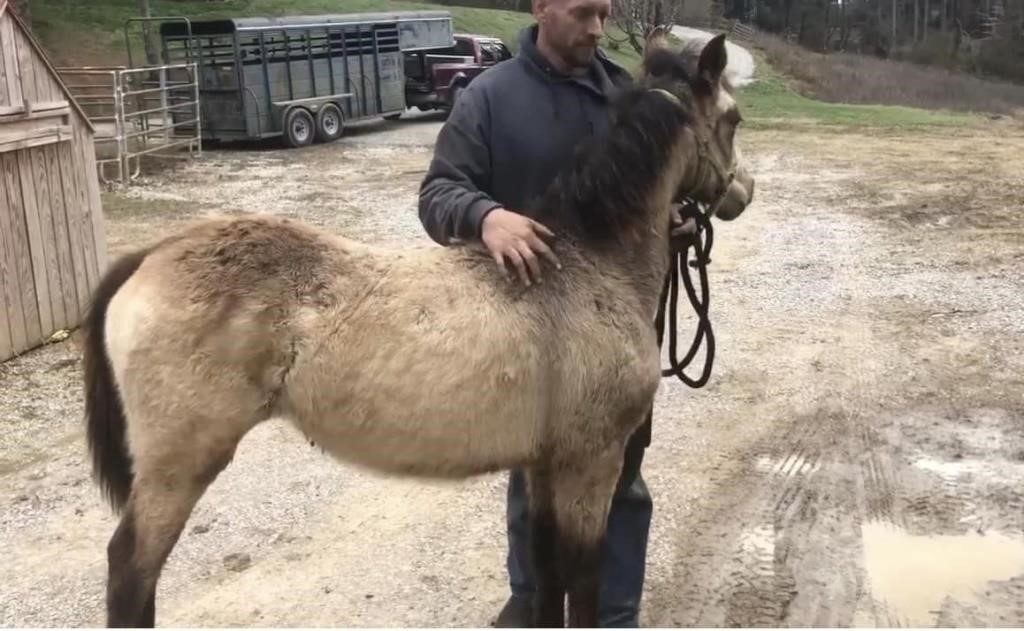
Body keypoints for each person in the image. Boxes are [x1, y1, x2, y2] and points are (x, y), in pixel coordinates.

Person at [417, 0, 689, 624]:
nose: (598, 29)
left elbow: (661, 184)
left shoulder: (624, 93)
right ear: (541, 7)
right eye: (583, 13)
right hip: (526, 330)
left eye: (605, 13)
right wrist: (485, 217)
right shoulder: (488, 96)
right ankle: (534, 597)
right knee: (531, 475)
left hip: (612, 339)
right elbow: (438, 194)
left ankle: (613, 611)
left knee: (618, 474)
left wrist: (667, 217)